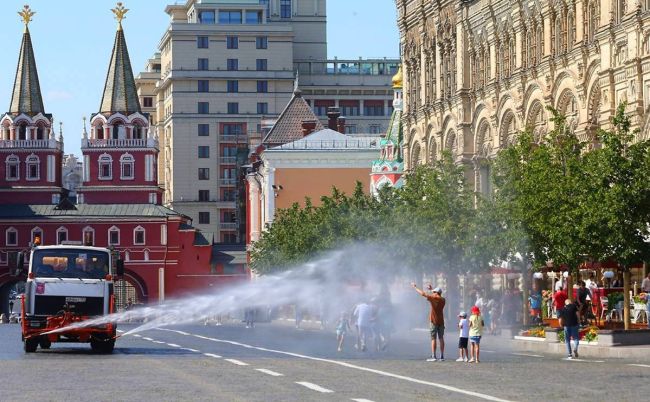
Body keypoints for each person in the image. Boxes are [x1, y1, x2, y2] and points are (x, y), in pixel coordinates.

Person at [411, 283, 446, 361]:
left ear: (436, 293)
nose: (432, 293)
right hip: (441, 321)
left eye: (434, 292)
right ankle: (442, 356)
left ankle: (433, 356)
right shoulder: (443, 299)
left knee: (433, 338)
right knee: (441, 338)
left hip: (433, 321)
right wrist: (432, 289)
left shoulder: (434, 298)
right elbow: (436, 295)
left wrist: (415, 287)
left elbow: (423, 294)